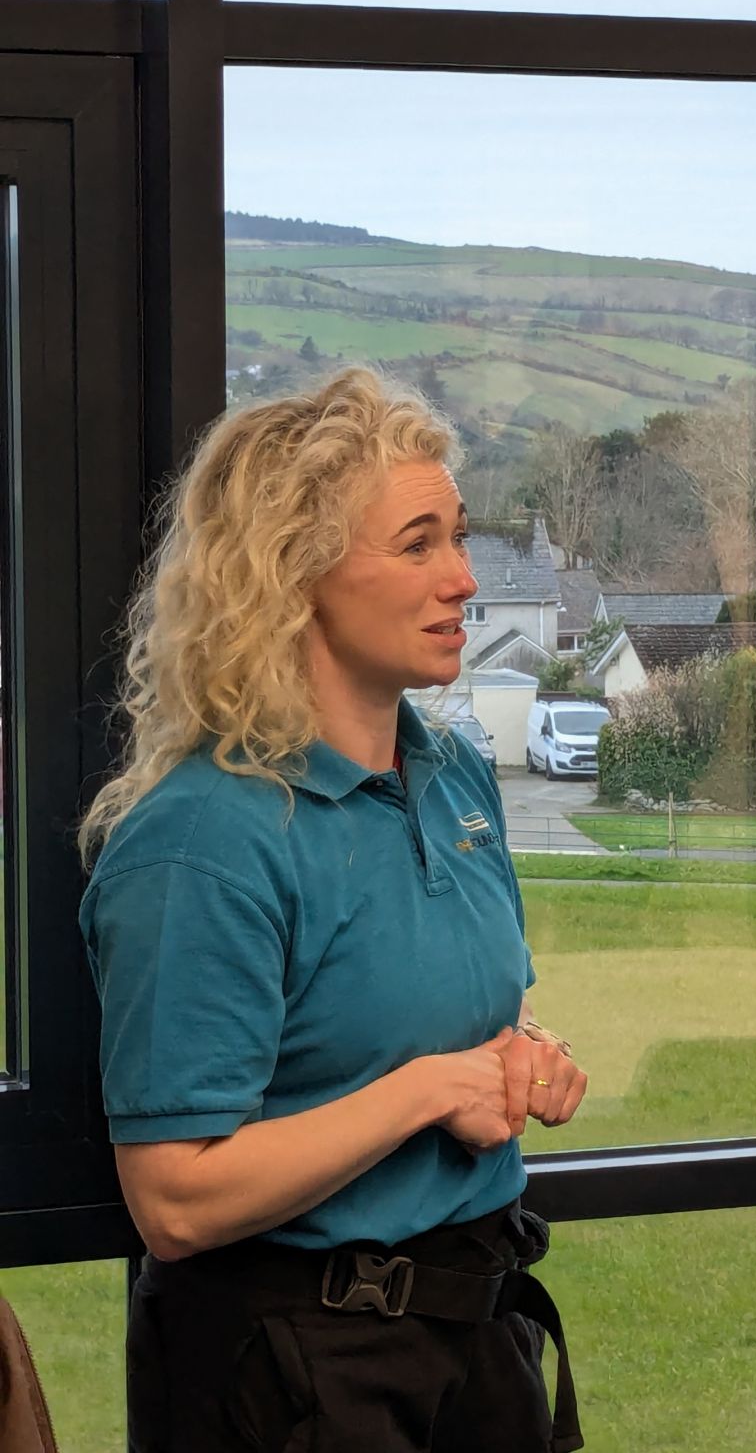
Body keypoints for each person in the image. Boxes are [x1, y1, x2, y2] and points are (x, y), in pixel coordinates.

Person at [76, 368, 587, 1453]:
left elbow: (433, 1014)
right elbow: (174, 1200)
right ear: (293, 574)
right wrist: (427, 1091)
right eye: (418, 545)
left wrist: (519, 1058)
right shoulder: (201, 841)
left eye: (458, 537)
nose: (463, 579)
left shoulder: (454, 776)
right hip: (289, 1373)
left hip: (478, 1334)